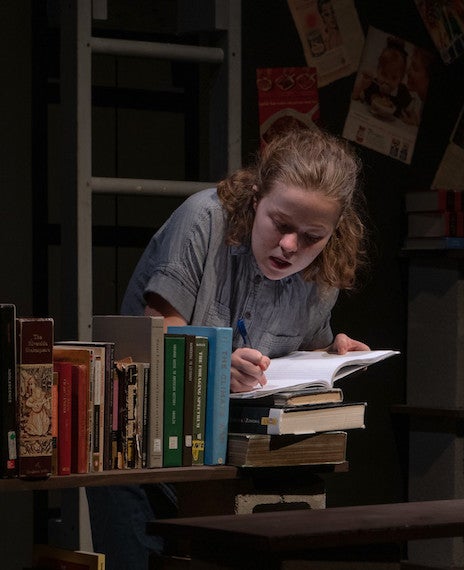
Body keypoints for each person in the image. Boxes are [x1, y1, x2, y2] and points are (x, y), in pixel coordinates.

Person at [87, 127, 371, 570]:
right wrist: (218, 365)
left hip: (226, 461)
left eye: (313, 236)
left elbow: (300, 352)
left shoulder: (323, 271)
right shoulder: (203, 221)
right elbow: (154, 339)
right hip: (138, 450)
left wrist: (332, 351)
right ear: (256, 197)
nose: (291, 246)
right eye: (281, 224)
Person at [352, 35, 412, 119]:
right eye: (384, 74)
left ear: (401, 79)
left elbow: (412, 114)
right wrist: (362, 85)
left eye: (394, 78)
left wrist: (410, 118)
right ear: (377, 70)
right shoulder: (372, 84)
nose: (387, 81)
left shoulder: (403, 92)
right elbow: (354, 96)